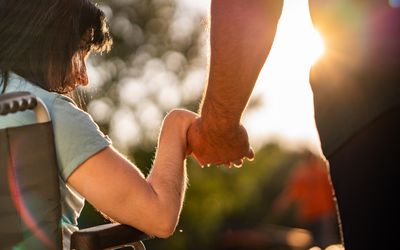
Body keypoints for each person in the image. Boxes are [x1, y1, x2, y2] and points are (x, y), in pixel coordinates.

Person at [187, 0, 400, 249]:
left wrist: (220, 126)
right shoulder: (307, 171)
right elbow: (291, 194)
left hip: (375, 101)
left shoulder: (314, 170)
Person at [0, 0, 197, 249]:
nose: (83, 77)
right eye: (79, 51)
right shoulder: (43, 111)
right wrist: (176, 124)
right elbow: (159, 217)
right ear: (47, 40)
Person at [272, 151, 339, 248]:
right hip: (309, 216)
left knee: (326, 242)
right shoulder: (302, 174)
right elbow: (291, 192)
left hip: (324, 213)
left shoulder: (322, 170)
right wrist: (280, 205)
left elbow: (333, 190)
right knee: (312, 244)